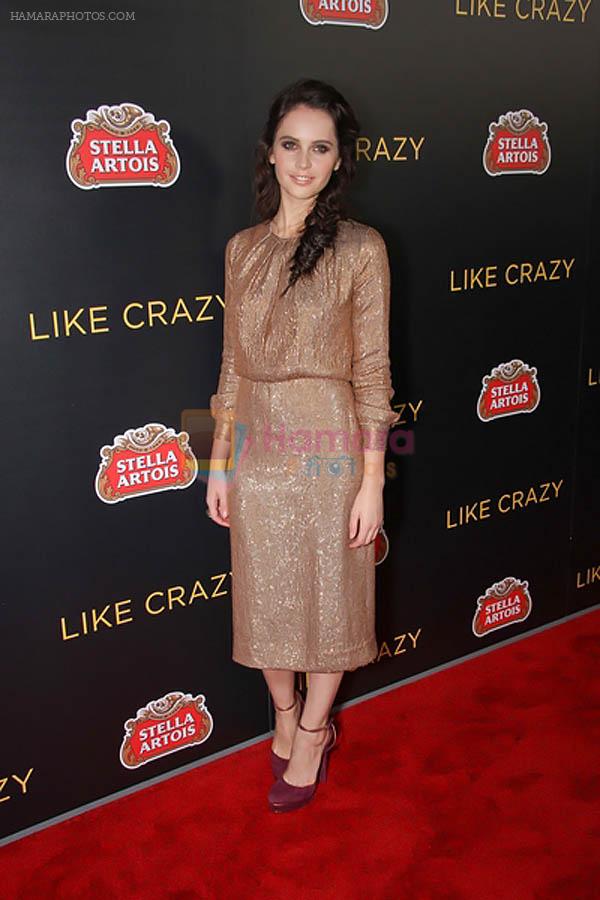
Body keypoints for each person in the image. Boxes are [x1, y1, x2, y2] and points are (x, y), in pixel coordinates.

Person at [206, 78, 400, 813]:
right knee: (266, 596)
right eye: (292, 145)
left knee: (332, 600)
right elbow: (228, 367)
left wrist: (373, 481)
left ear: (339, 160)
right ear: (272, 152)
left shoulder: (362, 249)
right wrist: (216, 463)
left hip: (329, 446)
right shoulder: (241, 250)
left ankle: (314, 731)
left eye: (321, 148)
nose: (303, 162)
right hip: (257, 447)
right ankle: (282, 715)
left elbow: (376, 373)